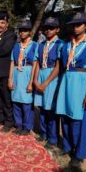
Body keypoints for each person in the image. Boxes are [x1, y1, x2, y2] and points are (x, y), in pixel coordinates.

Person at [55, 12, 86, 167]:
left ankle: (79, 154)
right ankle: (67, 147)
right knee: (65, 117)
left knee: (78, 120)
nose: (75, 27)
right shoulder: (67, 45)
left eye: (78, 24)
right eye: (73, 25)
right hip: (66, 82)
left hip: (80, 83)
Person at [33, 17, 64, 148]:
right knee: (41, 108)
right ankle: (44, 133)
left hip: (52, 78)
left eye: (51, 28)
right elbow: (37, 63)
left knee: (51, 109)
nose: (48, 30)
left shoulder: (60, 44)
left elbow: (58, 66)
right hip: (41, 75)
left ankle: (53, 139)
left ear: (57, 29)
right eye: (46, 28)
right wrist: (35, 80)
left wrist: (45, 83)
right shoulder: (41, 45)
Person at [8, 20, 38, 135]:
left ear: (29, 32)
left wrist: (31, 82)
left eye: (25, 31)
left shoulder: (35, 45)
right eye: (21, 31)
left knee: (26, 103)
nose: (22, 33)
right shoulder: (16, 46)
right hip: (16, 74)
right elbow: (12, 62)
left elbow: (35, 64)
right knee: (16, 102)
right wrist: (10, 79)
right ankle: (18, 125)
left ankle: (27, 126)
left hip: (27, 73)